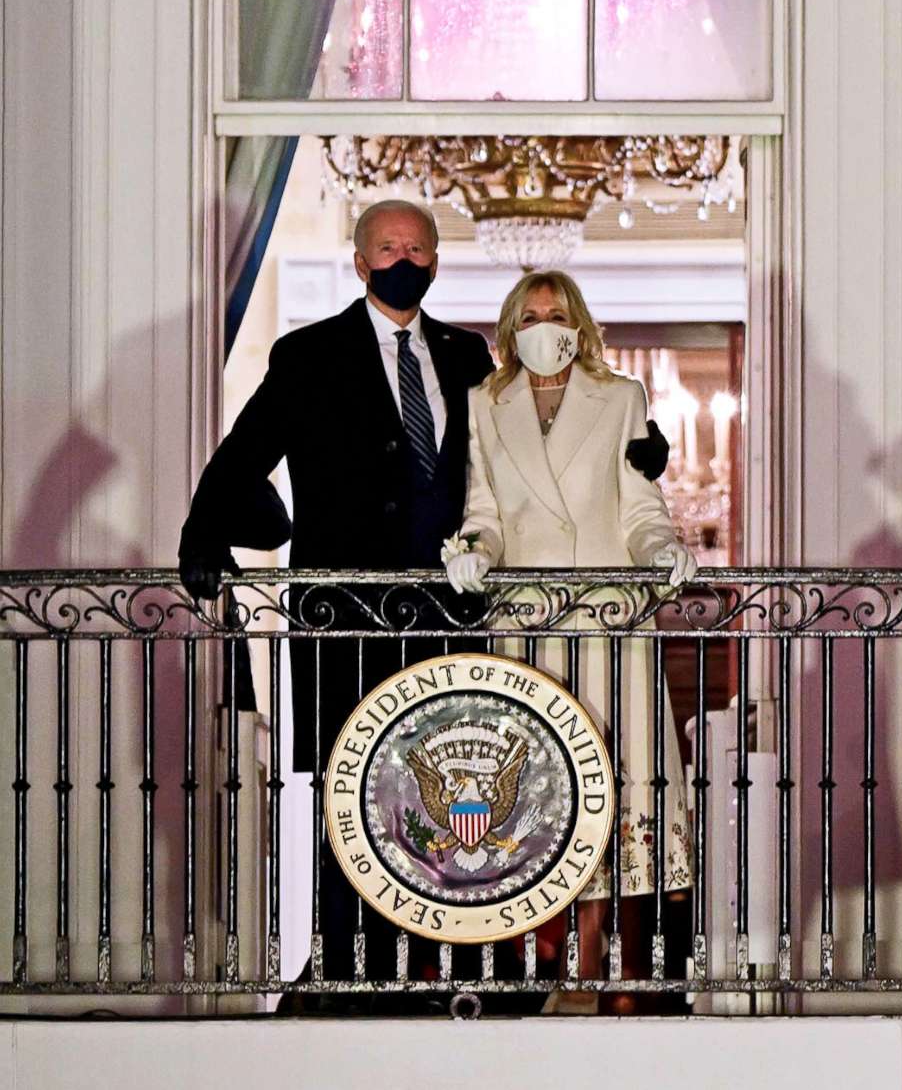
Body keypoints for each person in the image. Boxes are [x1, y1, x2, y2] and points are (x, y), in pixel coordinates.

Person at [176, 198, 494, 1005]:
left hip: (449, 621)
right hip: (340, 617)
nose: (404, 258)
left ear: (435, 261)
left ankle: (444, 970)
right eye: (388, 245)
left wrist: (639, 452)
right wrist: (204, 537)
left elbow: (522, 452)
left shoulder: (468, 355)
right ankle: (344, 968)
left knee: (456, 794)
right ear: (360, 260)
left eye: (418, 247)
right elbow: (245, 450)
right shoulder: (309, 354)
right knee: (349, 794)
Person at [446, 268, 698, 1013]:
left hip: (608, 623)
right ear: (509, 326)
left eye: (556, 312)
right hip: (526, 625)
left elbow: (640, 509)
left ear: (579, 322)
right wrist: (470, 550)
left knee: (609, 789)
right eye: (530, 314)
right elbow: (484, 509)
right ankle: (532, 965)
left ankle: (587, 971)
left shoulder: (621, 398)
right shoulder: (484, 405)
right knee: (533, 793)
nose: (544, 325)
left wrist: (662, 551)